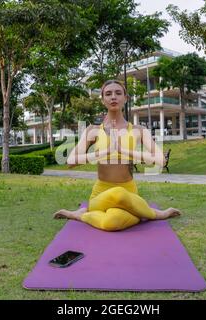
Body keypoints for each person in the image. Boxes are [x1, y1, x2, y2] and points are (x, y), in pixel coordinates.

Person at [53, 80, 181, 231]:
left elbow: (160, 160)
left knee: (112, 222)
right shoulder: (92, 130)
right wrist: (104, 152)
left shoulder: (139, 130)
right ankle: (154, 214)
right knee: (118, 194)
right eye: (108, 94)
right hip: (100, 195)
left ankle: (82, 215)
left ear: (125, 98)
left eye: (118, 93)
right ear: (102, 100)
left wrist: (124, 151)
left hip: (129, 193)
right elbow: (70, 161)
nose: (113, 97)